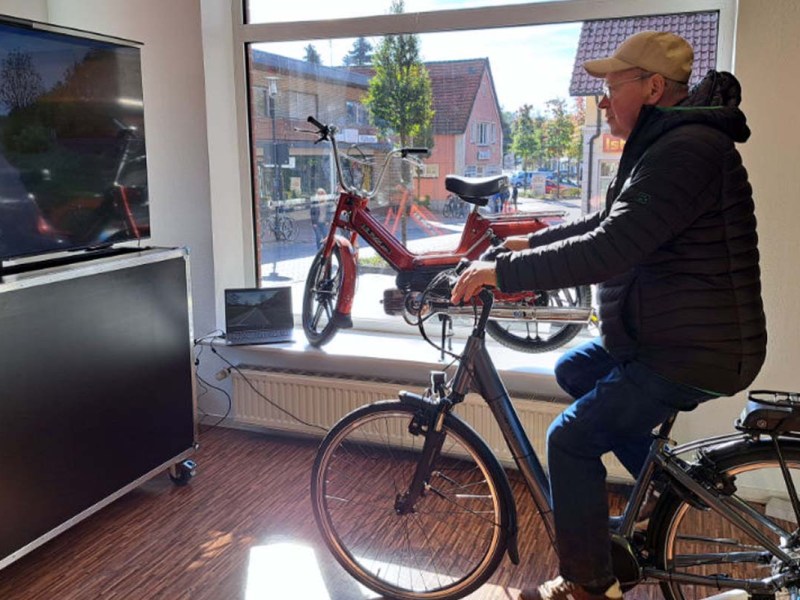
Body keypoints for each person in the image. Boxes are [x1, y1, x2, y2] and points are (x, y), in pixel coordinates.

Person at [451, 31, 766, 600]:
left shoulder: (686, 150)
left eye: (611, 87)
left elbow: (611, 249)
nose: (601, 101)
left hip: (693, 348)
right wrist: (526, 247)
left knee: (569, 441)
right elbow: (605, 223)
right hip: (668, 335)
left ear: (651, 88)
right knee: (574, 372)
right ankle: (658, 489)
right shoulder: (662, 143)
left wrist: (504, 277)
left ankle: (586, 585)